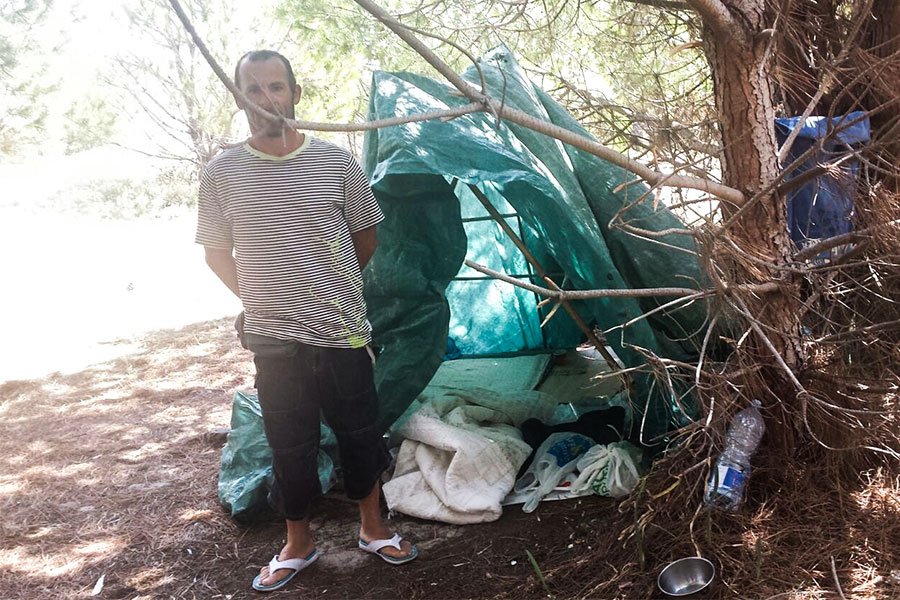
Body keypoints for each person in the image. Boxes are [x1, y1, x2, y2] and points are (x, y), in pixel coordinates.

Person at [195, 49, 417, 593]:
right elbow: (216, 251)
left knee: (360, 434)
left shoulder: (336, 161)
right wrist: (264, 298)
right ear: (239, 95)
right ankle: (297, 544)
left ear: (294, 94)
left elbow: (366, 236)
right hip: (273, 341)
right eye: (254, 88)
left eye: (276, 87)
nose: (266, 98)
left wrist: (328, 290)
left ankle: (374, 528)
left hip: (342, 331)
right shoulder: (222, 172)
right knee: (288, 443)